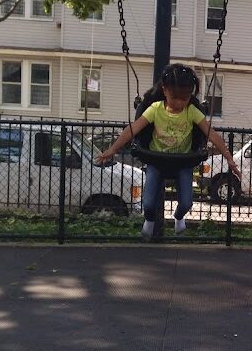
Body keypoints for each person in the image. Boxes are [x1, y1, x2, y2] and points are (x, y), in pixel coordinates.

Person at [96, 64, 241, 240]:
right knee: (148, 204)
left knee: (187, 203)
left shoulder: (192, 111)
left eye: (185, 98)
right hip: (157, 161)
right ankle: (149, 220)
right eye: (175, 98)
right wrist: (111, 150)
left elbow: (213, 135)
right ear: (164, 90)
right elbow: (132, 129)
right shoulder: (155, 109)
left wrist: (229, 159)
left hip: (183, 162)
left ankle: (179, 216)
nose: (180, 102)